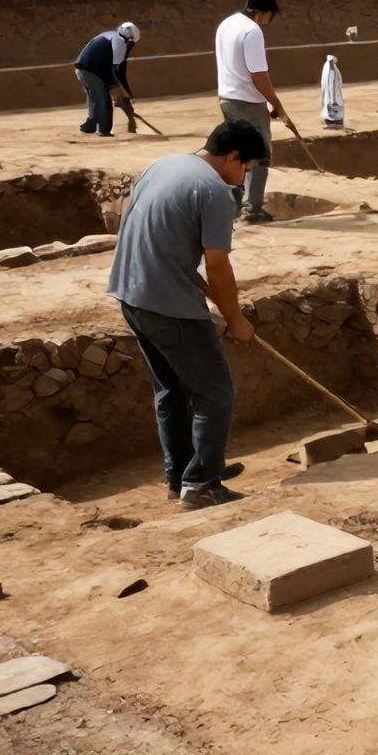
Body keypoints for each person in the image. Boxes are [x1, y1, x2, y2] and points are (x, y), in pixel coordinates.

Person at [107, 120, 268, 509]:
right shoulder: (213, 191)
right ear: (232, 157)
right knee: (215, 393)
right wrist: (236, 319)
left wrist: (179, 270)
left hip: (131, 294)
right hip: (169, 306)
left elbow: (145, 229)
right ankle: (201, 484)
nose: (243, 176)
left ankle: (181, 474)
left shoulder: (164, 164)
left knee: (172, 391)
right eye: (245, 167)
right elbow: (218, 265)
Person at [216, 0, 286, 223]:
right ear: (263, 13)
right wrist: (275, 103)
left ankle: (235, 206)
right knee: (260, 154)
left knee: (237, 154)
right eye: (270, 16)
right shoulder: (252, 31)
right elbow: (257, 74)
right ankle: (252, 209)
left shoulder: (227, 23)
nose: (268, 22)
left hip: (227, 98)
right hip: (248, 101)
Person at [75, 21, 139, 137]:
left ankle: (91, 125)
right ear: (129, 40)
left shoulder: (112, 37)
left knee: (96, 96)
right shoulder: (120, 46)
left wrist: (127, 96)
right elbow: (110, 72)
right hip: (91, 69)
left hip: (83, 67)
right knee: (102, 98)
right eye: (132, 43)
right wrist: (115, 90)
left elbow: (120, 74)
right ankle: (102, 130)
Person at [320, 54, 346, 130]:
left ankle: (335, 124)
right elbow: (330, 84)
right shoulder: (329, 68)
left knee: (332, 103)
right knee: (331, 104)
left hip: (332, 93)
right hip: (330, 93)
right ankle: (332, 124)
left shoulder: (330, 68)